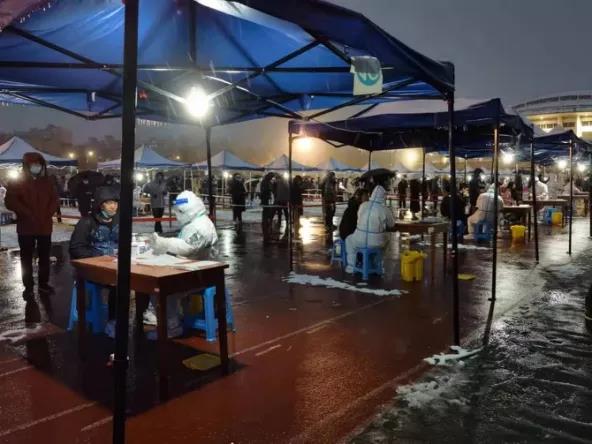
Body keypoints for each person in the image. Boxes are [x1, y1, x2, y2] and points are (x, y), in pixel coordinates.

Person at [149, 191, 218, 338]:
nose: (177, 215)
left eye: (180, 212)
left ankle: (172, 326)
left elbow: (188, 247)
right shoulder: (195, 223)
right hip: (192, 269)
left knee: (161, 288)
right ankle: (168, 318)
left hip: (198, 275)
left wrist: (164, 243)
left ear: (188, 210)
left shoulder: (201, 227)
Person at [5, 152, 58, 298]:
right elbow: (10, 201)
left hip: (44, 226)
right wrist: (26, 213)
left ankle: (43, 284)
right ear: (27, 166)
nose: (37, 167)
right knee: (26, 257)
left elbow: (54, 200)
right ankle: (28, 287)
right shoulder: (17, 182)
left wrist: (48, 213)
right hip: (26, 227)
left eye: (39, 164)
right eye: (34, 164)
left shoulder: (47, 182)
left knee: (45, 256)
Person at [69, 187, 119, 337]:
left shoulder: (118, 220)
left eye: (115, 202)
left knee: (136, 280)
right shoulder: (86, 222)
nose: (113, 206)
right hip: (91, 270)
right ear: (100, 204)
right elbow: (75, 248)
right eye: (109, 203)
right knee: (119, 283)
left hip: (114, 265)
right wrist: (99, 256)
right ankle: (113, 323)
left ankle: (143, 315)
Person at [345, 173, 395, 273]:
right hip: (377, 242)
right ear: (383, 197)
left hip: (359, 239)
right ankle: (376, 263)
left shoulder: (363, 205)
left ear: (372, 194)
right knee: (387, 239)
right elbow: (391, 224)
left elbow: (359, 218)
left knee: (349, 240)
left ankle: (351, 267)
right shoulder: (385, 209)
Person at [260, 173, 275, 240]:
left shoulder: (265, 181)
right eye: (271, 177)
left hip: (265, 197)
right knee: (266, 209)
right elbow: (267, 189)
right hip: (265, 197)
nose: (271, 178)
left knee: (266, 209)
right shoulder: (266, 182)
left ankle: (265, 220)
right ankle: (265, 220)